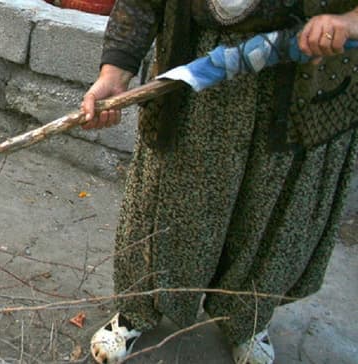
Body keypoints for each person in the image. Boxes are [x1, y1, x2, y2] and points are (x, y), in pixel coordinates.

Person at [80, 1, 358, 363]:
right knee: (165, 201)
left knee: (269, 214)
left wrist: (348, 21)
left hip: (306, 76)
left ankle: (247, 319)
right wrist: (114, 73)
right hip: (200, 69)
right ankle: (136, 311)